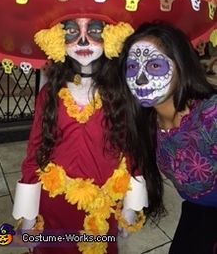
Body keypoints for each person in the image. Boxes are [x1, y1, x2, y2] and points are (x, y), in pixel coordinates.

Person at [12, 17, 164, 254]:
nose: (83, 40)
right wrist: (28, 212)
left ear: (110, 35)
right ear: (59, 38)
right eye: (72, 31)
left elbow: (132, 149)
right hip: (55, 203)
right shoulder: (49, 94)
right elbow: (35, 150)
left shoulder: (120, 94)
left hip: (103, 204)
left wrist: (131, 206)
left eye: (94, 30)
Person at [119, 21, 217, 254]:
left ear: (181, 65)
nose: (140, 78)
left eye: (154, 65)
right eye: (132, 67)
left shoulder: (211, 115)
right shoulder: (143, 123)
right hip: (197, 211)